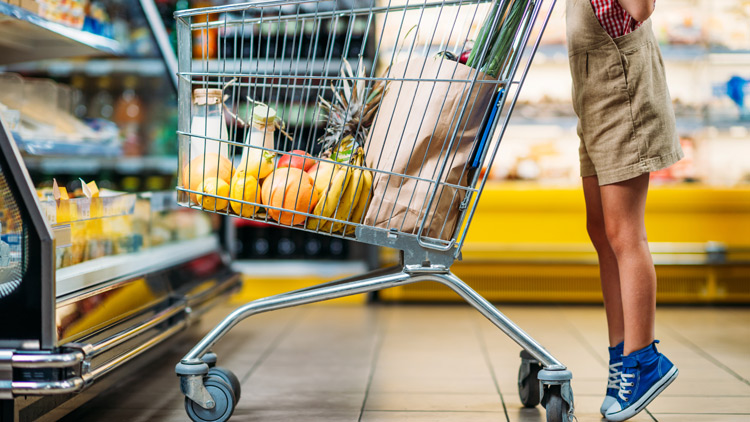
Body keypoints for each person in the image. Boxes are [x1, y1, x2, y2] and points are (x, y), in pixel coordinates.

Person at [565, 0, 681, 420]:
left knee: (624, 234)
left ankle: (644, 360)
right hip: (595, 103)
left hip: (623, 100)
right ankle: (621, 356)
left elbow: (642, 8)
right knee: (600, 232)